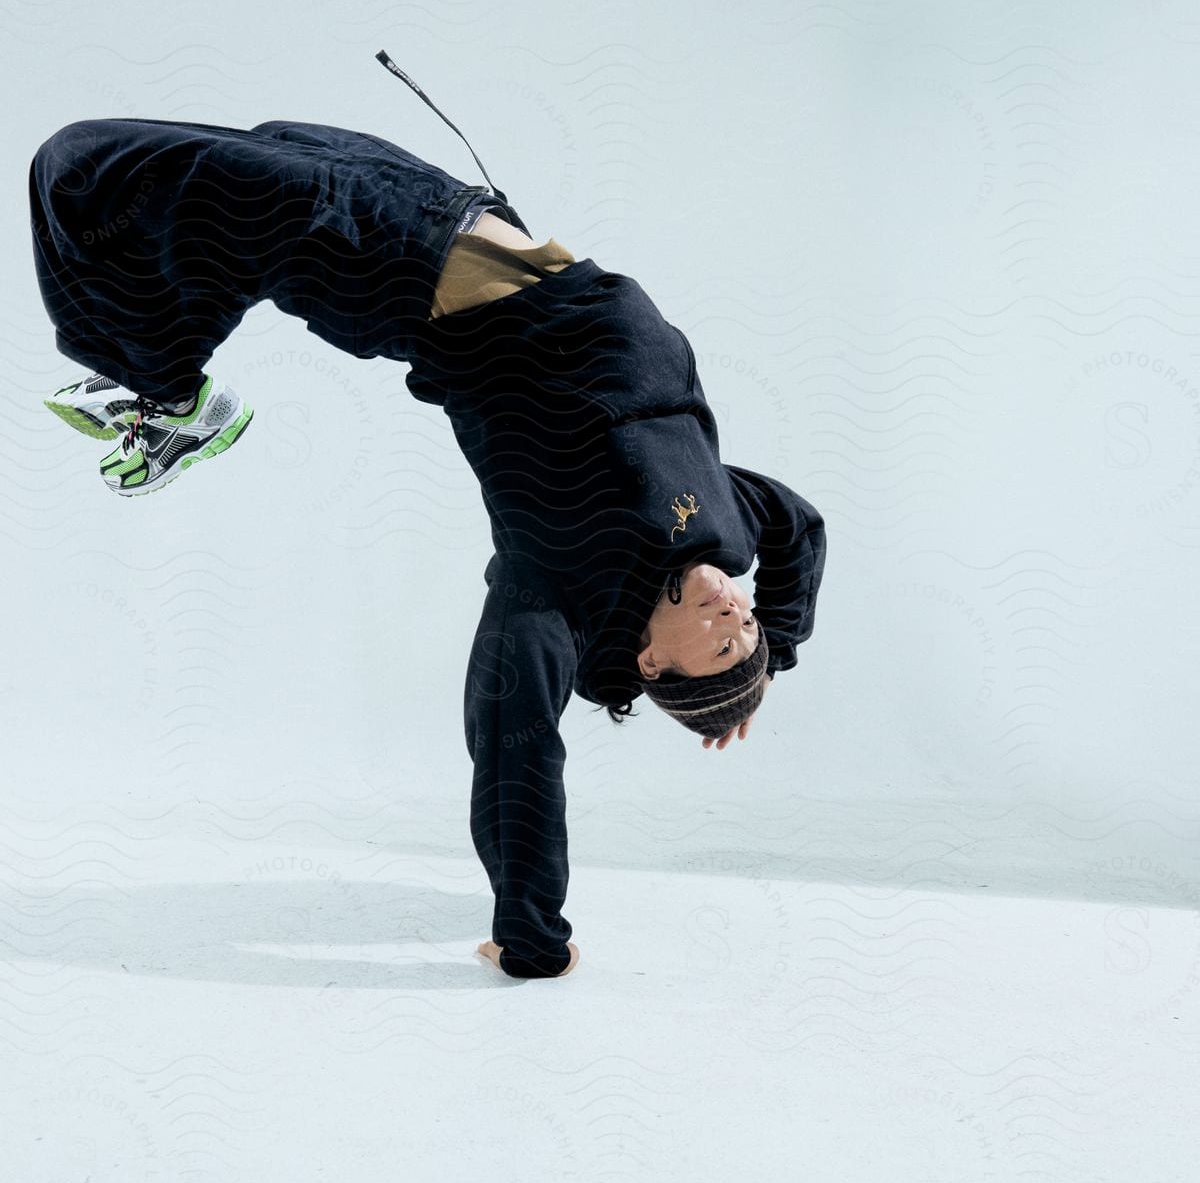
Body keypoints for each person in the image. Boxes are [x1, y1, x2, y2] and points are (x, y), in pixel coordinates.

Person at [29, 58, 827, 980]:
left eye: (721, 645)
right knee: (229, 155)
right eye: (749, 622)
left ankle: (172, 396)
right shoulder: (727, 527)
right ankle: (160, 382)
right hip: (453, 208)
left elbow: (516, 752)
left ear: (650, 661)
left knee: (88, 170)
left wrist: (532, 936)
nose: (737, 614)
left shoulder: (557, 590)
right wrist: (782, 655)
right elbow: (803, 528)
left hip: (386, 264)